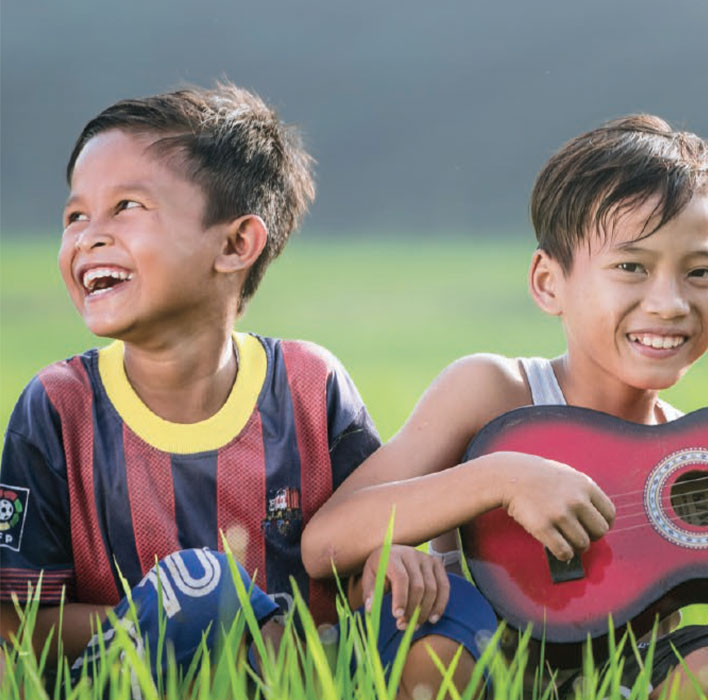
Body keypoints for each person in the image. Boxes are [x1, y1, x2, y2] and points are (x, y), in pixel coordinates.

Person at [302, 114, 708, 699]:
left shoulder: (696, 454)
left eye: (700, 271)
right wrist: (502, 477)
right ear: (550, 283)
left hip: (625, 681)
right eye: (632, 267)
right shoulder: (497, 392)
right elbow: (326, 542)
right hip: (483, 669)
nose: (670, 303)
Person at [0, 84, 494, 694]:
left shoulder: (310, 385)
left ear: (237, 244)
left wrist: (387, 564)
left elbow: (364, 542)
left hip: (315, 667)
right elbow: (17, 623)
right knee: (203, 588)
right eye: (75, 215)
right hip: (133, 676)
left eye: (126, 206)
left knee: (454, 605)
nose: (88, 236)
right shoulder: (56, 407)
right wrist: (205, 618)